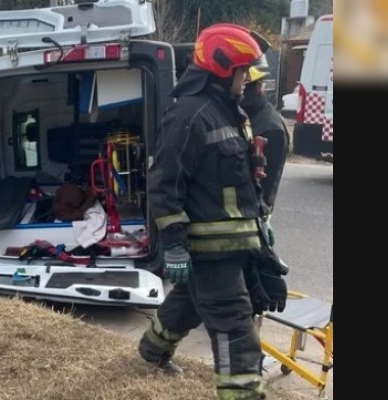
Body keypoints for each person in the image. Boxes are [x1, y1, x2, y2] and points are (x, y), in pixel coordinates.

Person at [136, 23, 288, 400]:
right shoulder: (189, 114)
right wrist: (173, 245)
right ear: (224, 69)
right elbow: (164, 184)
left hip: (232, 247)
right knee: (236, 329)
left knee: (189, 303)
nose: (249, 79)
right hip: (208, 252)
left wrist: (260, 227)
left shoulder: (228, 112)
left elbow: (239, 182)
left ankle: (153, 349)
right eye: (243, 71)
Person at [240, 66, 291, 214]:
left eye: (247, 85)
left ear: (258, 87)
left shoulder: (271, 129)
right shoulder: (247, 115)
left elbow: (265, 187)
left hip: (252, 212)